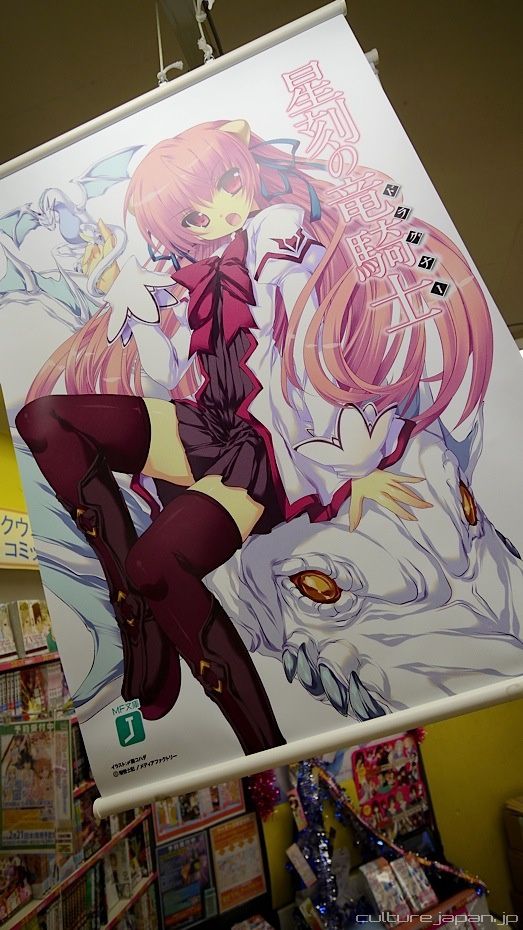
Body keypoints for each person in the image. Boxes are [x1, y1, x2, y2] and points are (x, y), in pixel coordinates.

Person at [16, 119, 493, 751]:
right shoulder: (189, 274)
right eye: (193, 215)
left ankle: (262, 743)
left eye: (228, 183)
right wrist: (135, 307)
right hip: (211, 424)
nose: (218, 211)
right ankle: (133, 611)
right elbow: (166, 374)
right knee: (43, 419)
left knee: (156, 563)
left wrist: (351, 471)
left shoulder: (281, 248)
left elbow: (314, 358)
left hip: (264, 448)